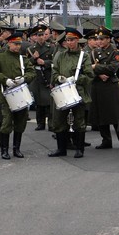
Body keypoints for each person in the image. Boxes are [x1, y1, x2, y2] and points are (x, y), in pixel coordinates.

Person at [0, 31, 35, 160]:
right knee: (7, 122)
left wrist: (24, 78)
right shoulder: (0, 57)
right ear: (9, 43)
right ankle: (4, 150)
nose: (17, 47)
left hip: (21, 93)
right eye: (15, 44)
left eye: (19, 44)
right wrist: (5, 80)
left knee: (20, 122)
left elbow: (32, 72)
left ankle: (17, 149)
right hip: (6, 94)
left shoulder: (23, 59)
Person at [48, 28, 93, 158]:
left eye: (72, 40)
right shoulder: (60, 55)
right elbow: (54, 72)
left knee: (79, 121)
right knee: (59, 120)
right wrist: (59, 78)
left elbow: (90, 75)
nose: (69, 42)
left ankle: (79, 149)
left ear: (77, 40)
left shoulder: (84, 56)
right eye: (67, 40)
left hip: (78, 92)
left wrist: (77, 79)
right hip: (63, 91)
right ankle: (61, 149)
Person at [88, 26, 119, 150]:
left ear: (108, 39)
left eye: (103, 39)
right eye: (98, 39)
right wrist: (98, 73)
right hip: (97, 84)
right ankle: (106, 140)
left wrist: (96, 68)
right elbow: (87, 69)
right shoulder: (93, 52)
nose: (100, 41)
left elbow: (113, 68)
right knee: (100, 114)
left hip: (110, 85)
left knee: (115, 114)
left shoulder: (115, 51)